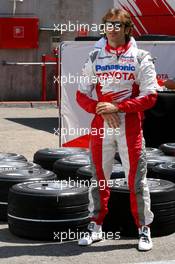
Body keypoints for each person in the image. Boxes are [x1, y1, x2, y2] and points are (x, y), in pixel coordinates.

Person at [76, 8, 158, 251]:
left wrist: (118, 107)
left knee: (136, 180)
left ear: (127, 28)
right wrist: (102, 109)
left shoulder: (141, 56)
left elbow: (151, 96)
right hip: (101, 126)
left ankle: (144, 228)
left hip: (130, 127)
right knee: (98, 179)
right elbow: (81, 94)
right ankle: (95, 225)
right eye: (108, 25)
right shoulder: (94, 56)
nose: (112, 30)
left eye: (117, 25)